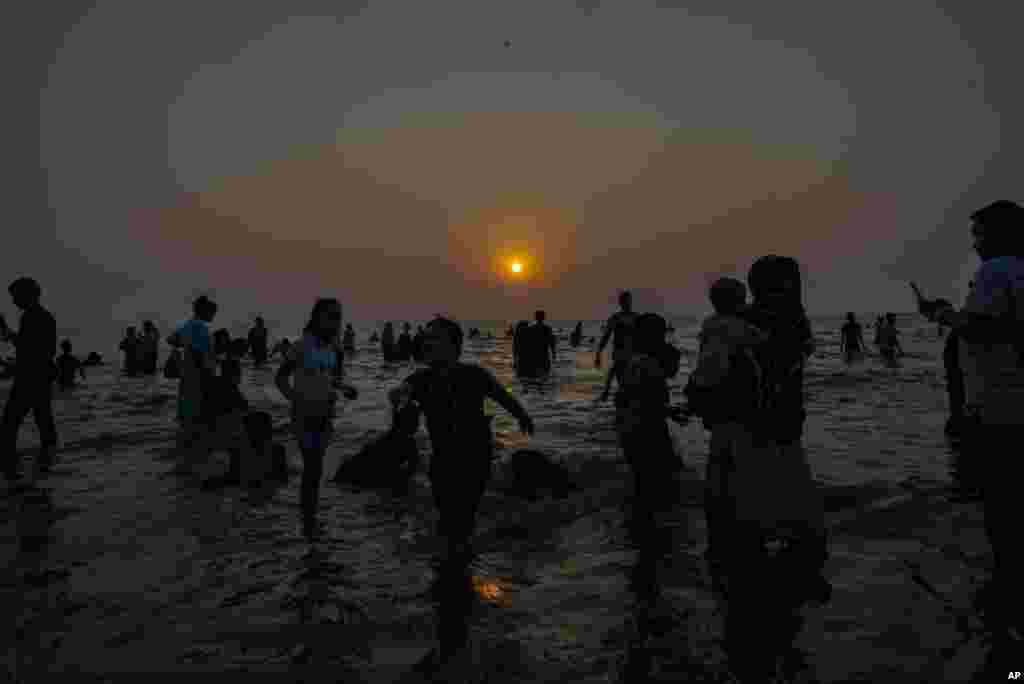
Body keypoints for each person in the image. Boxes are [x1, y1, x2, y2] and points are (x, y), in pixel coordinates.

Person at [388, 317, 533, 672]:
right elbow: (402, 392)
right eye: (425, 340)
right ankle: (457, 577)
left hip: (475, 458)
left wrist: (523, 417)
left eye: (434, 339)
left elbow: (502, 396)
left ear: (454, 345)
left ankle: (457, 581)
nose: (427, 344)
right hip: (442, 461)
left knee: (461, 519)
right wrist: (399, 400)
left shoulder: (473, 375)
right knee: (447, 518)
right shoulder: (420, 379)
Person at [917, 200, 1024, 639]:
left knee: (1003, 506)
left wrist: (943, 314)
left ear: (998, 235)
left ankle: (1009, 589)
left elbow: (983, 327)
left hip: (1002, 409)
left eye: (978, 234)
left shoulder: (997, 269)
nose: (975, 244)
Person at [684, 277, 768, 577]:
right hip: (730, 395)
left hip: (708, 392)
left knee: (718, 451)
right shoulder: (738, 326)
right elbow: (764, 342)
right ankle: (736, 510)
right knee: (737, 452)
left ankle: (716, 501)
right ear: (737, 301)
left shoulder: (710, 324)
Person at [275, 298, 358, 542]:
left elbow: (332, 380)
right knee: (312, 466)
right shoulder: (300, 347)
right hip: (304, 415)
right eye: (330, 315)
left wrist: (345, 389)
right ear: (317, 318)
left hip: (326, 415)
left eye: (338, 316)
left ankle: (309, 518)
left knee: (315, 468)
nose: (335, 321)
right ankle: (309, 523)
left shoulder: (336, 350)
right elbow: (280, 378)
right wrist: (295, 399)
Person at [615, 313, 684, 533]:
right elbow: (644, 401)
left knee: (645, 484)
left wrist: (667, 411)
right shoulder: (648, 364)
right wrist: (669, 411)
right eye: (662, 335)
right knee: (658, 483)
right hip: (645, 431)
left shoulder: (634, 361)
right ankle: (648, 532)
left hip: (633, 429)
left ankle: (641, 529)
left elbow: (628, 399)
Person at [1, 278, 58, 481]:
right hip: (40, 376)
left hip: (30, 378)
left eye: (16, 296)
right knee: (44, 421)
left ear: (27, 295)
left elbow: (29, 348)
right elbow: (40, 349)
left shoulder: (32, 317)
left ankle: (9, 466)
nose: (14, 301)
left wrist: (8, 334)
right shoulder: (42, 316)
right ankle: (49, 465)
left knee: (10, 421)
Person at [166, 296, 219, 473]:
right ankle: (197, 463)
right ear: (205, 311)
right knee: (200, 420)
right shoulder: (201, 327)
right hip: (199, 379)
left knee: (186, 419)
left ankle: (185, 461)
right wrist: (208, 380)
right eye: (212, 312)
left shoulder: (187, 325)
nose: (214, 316)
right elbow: (199, 355)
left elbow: (171, 339)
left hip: (186, 378)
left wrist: (184, 349)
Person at [596, 290, 638, 402]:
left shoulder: (637, 318)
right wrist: (598, 353)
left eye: (629, 301)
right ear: (620, 303)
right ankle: (607, 392)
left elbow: (644, 338)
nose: (627, 304)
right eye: (624, 301)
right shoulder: (615, 318)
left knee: (632, 387)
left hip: (634, 356)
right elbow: (606, 337)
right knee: (621, 381)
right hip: (620, 354)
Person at [517, 311, 556, 377]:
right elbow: (552, 342)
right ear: (544, 317)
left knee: (536, 377)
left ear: (535, 317)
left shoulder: (531, 329)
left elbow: (527, 344)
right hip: (544, 356)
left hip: (535, 356)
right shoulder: (547, 328)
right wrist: (554, 353)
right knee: (544, 376)